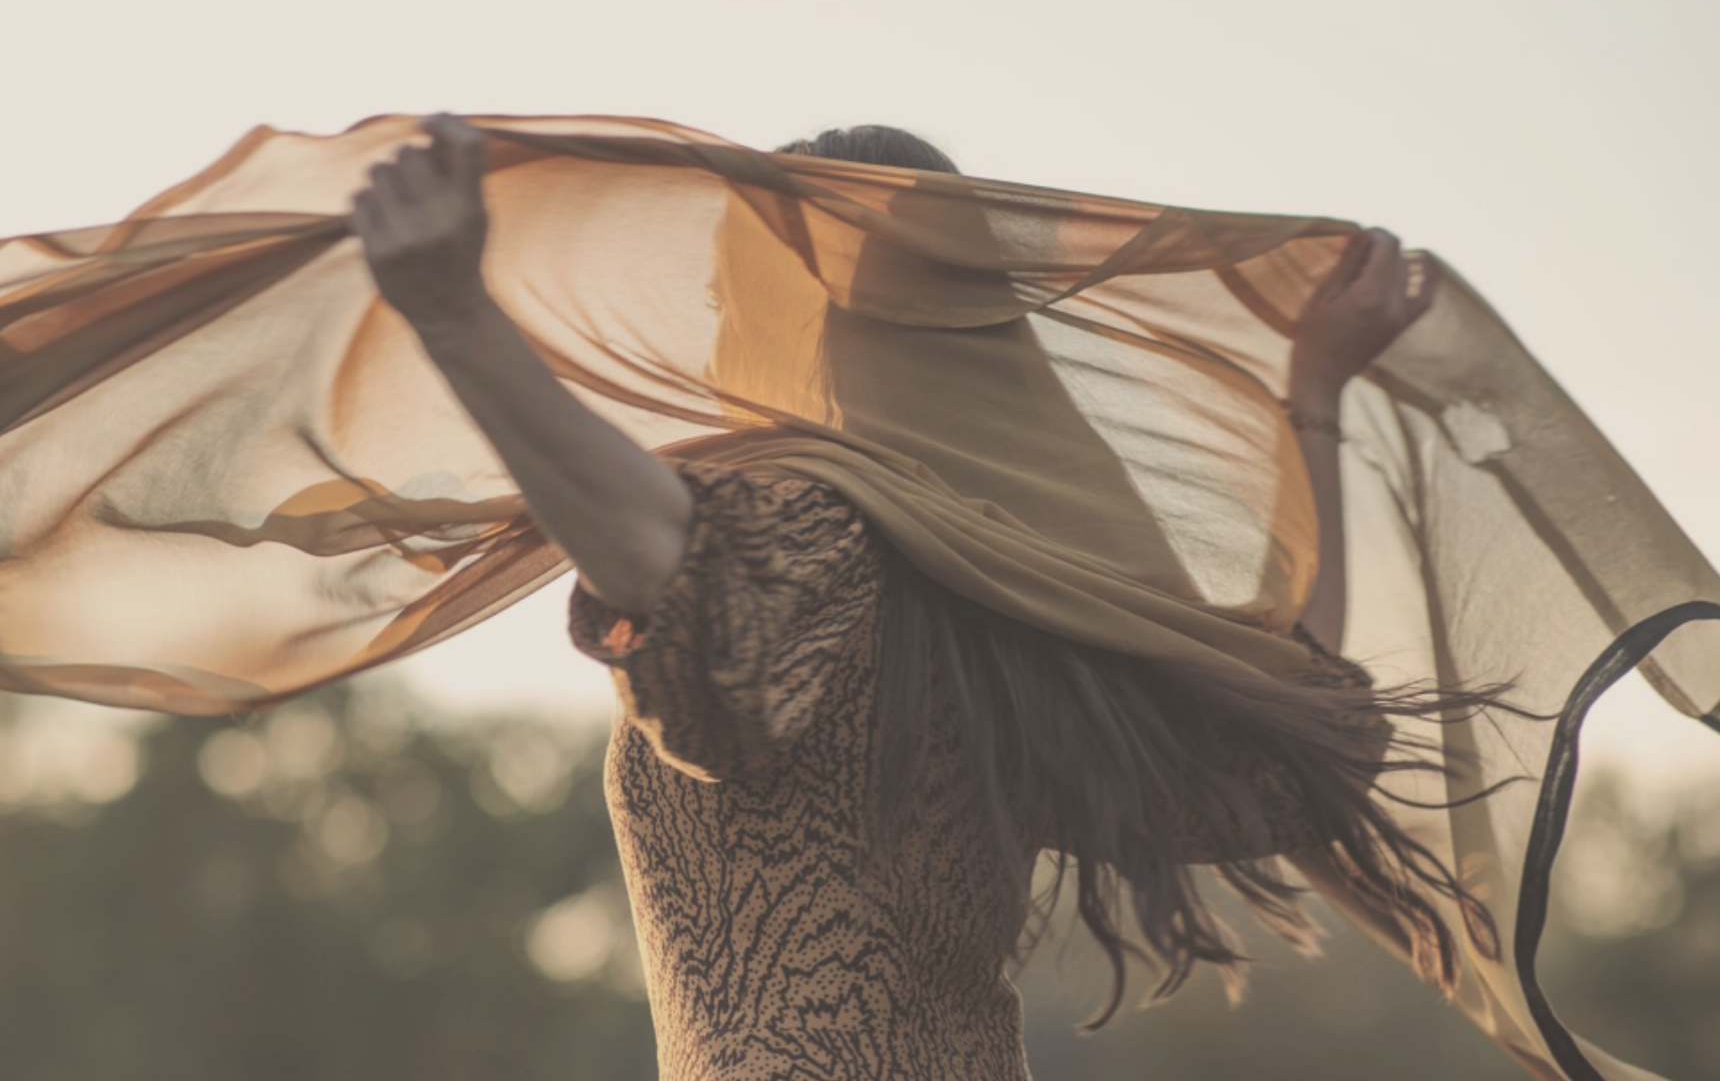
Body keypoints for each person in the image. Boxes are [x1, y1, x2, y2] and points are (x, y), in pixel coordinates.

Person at [350, 117, 1502, 1079]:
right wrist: (1314, 398)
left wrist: (459, 320)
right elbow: (1292, 724)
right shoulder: (1017, 611)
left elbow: (671, 562)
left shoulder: (826, 536)